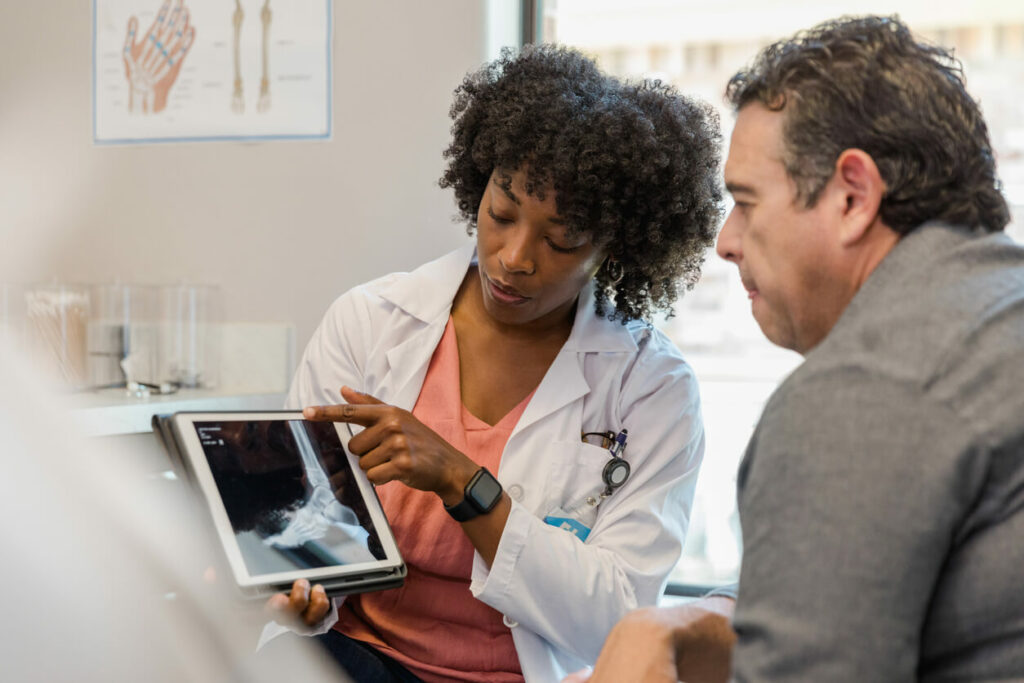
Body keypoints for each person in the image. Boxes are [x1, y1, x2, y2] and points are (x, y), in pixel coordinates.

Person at [574, 14, 1024, 682]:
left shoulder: (862, 395)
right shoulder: (994, 312)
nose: (726, 241)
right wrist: (698, 620)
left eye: (748, 202)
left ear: (852, 195)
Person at [264, 44, 724, 682]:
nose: (513, 257)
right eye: (501, 213)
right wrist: (298, 586)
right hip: (353, 657)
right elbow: (298, 514)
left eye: (561, 240)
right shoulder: (372, 321)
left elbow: (617, 620)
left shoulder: (651, 388)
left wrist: (463, 482)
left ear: (617, 246)